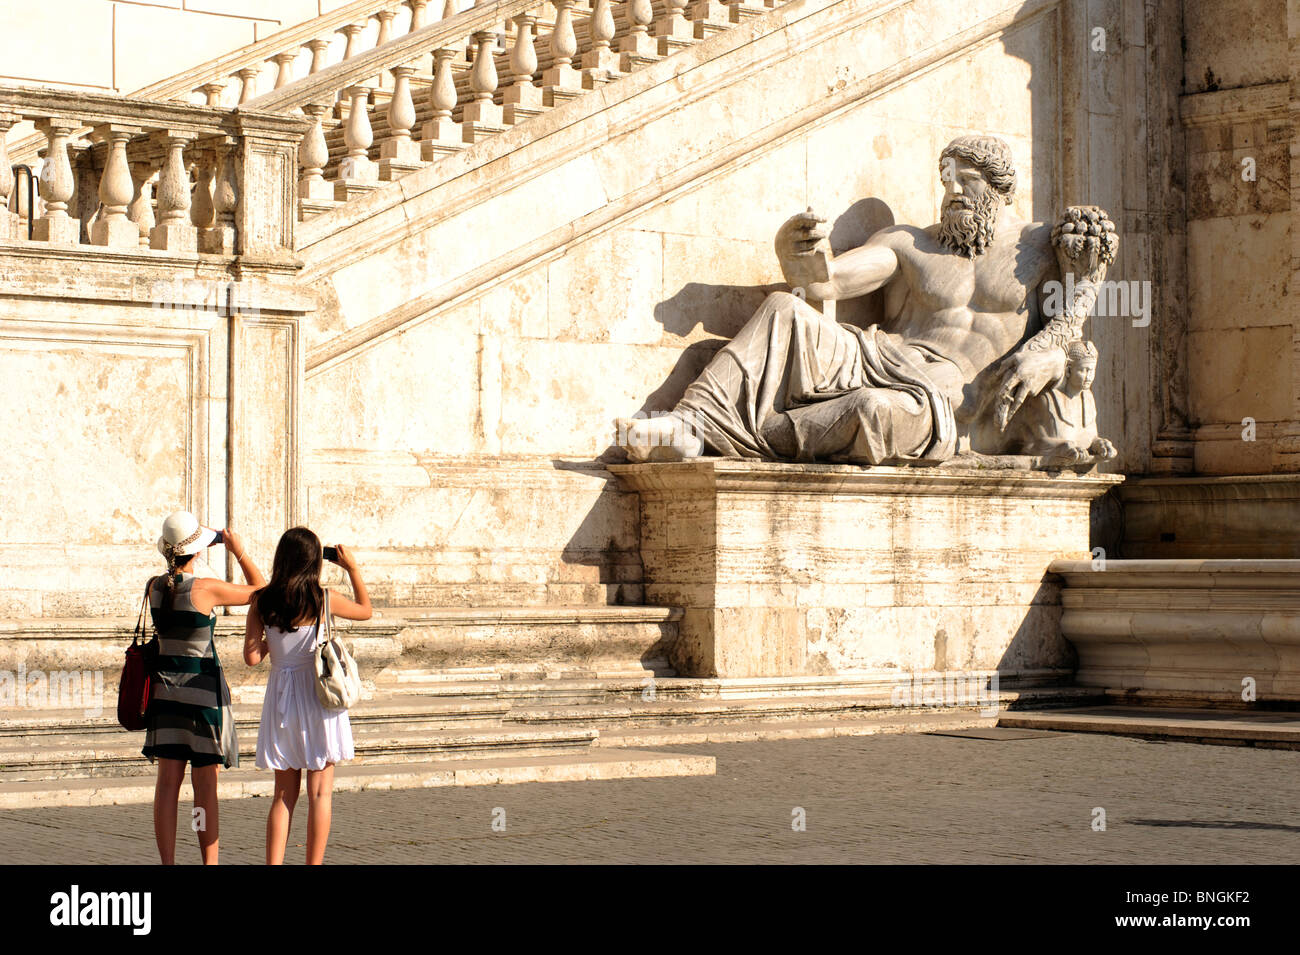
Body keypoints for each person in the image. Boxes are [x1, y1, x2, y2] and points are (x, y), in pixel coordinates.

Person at [617, 135, 1114, 465]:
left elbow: (1073, 318)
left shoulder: (1042, 247)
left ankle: (738, 436)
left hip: (944, 397)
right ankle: (687, 425)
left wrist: (1047, 354)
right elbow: (827, 283)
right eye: (946, 181)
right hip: (877, 354)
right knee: (784, 309)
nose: (953, 191)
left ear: (1000, 185)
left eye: (967, 180)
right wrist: (798, 254)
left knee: (870, 411)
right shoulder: (909, 241)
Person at [244, 527, 372, 865]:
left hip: (282, 696)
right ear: (315, 561)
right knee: (319, 793)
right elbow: (365, 610)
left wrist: (277, 645)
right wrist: (353, 569)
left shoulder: (262, 600)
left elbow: (252, 658)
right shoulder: (323, 598)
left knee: (283, 796)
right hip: (318, 694)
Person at [145, 510, 265, 865]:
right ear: (196, 550)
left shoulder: (154, 587)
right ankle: (207, 864)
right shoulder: (205, 589)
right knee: (204, 792)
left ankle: (168, 863)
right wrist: (237, 550)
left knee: (166, 788)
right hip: (201, 696)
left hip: (165, 695)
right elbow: (261, 592)